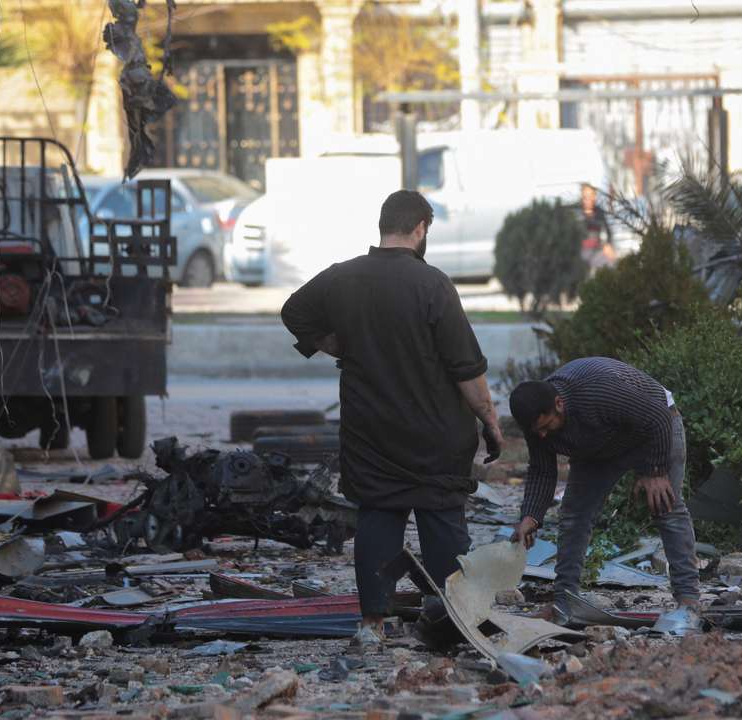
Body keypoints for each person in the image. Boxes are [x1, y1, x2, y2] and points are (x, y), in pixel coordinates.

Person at [280, 190, 504, 646]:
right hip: (435, 436)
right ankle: (455, 620)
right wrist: (490, 420)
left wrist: (333, 344)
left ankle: (372, 625)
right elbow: (466, 368)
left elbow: (293, 311)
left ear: (383, 225)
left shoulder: (342, 277)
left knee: (378, 517)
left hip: (371, 433)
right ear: (421, 228)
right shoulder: (433, 284)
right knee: (442, 520)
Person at [508, 357, 701, 629]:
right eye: (536, 431)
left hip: (654, 429)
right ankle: (565, 602)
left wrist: (655, 471)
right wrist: (530, 515)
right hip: (597, 446)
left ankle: (688, 601)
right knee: (574, 516)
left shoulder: (597, 390)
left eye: (546, 426)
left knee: (665, 506)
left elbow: (657, 417)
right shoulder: (536, 421)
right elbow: (542, 469)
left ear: (559, 404)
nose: (542, 436)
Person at [578, 184, 616, 272]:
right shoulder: (577, 212)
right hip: (580, 251)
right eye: (585, 196)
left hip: (596, 250)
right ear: (582, 196)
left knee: (611, 263)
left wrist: (608, 245)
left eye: (591, 195)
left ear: (594, 197)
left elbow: (608, 232)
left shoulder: (599, 212)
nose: (588, 199)